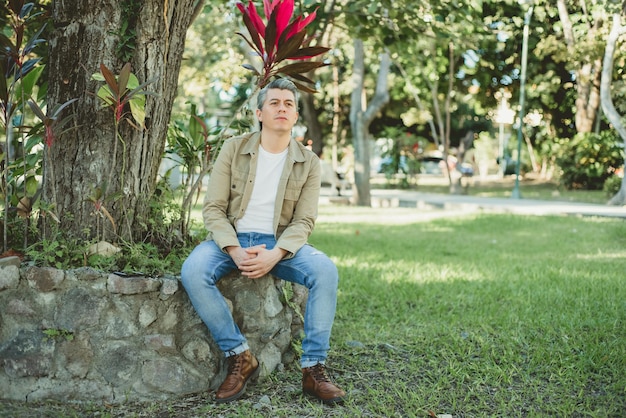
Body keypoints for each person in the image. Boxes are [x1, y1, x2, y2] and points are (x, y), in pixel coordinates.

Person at [181, 78, 346, 405]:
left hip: (280, 244)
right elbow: (213, 209)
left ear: (296, 115)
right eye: (274, 103)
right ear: (259, 112)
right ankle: (240, 356)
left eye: (288, 104)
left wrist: (276, 254)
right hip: (231, 238)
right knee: (193, 271)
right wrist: (233, 249)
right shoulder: (233, 148)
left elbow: (304, 221)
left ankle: (313, 370)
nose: (282, 108)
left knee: (325, 271)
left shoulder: (309, 162)